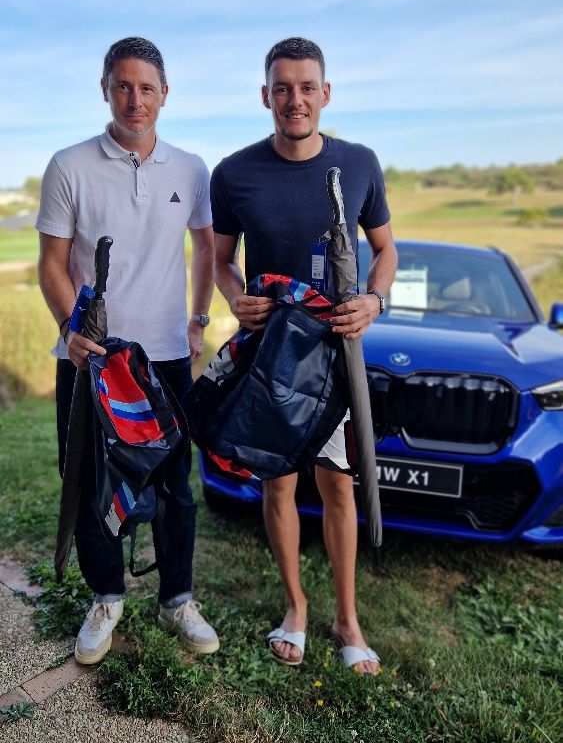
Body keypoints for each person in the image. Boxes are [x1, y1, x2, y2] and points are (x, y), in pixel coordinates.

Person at [211, 37, 397, 675]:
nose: (295, 99)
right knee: (279, 484)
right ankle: (295, 607)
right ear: (265, 95)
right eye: (282, 88)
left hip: (336, 353)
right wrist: (234, 297)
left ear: (326, 93)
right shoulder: (234, 173)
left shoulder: (360, 164)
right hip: (270, 357)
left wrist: (374, 301)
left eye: (307, 87)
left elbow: (386, 250)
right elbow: (219, 261)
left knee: (338, 486)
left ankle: (347, 618)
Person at [36, 36, 219, 664]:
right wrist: (72, 329)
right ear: (105, 89)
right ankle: (106, 597)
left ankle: (178, 599)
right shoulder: (69, 165)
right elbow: (52, 264)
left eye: (146, 88)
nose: (134, 100)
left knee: (174, 485)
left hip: (165, 357)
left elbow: (207, 248)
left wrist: (198, 321)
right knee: (91, 480)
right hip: (92, 359)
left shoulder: (191, 169)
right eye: (123, 86)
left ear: (165, 94)